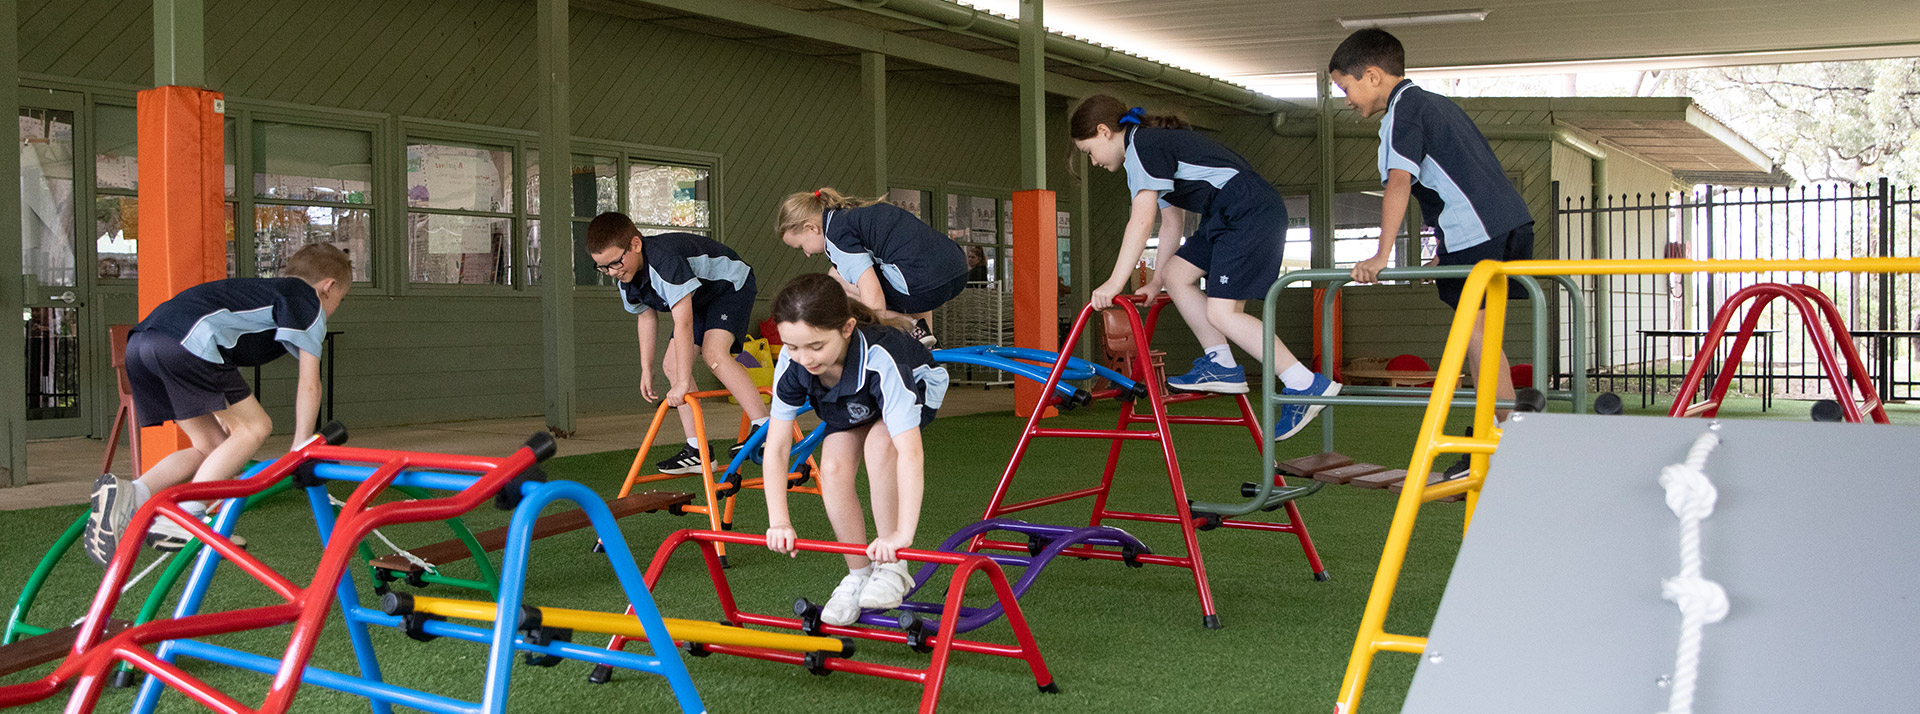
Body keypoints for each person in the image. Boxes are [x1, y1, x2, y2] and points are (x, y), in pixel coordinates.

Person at [1070, 94, 1339, 440]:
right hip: (1227, 214)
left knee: (1224, 313)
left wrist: (1114, 281)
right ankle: (1221, 362)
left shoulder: (1143, 147)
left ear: (1104, 131)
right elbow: (1171, 224)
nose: (1092, 162)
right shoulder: (1147, 151)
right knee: (1177, 276)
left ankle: (1303, 383)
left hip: (1247, 212)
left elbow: (1140, 221)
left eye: (1089, 151)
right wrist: (1155, 281)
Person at [1330, 29, 1534, 474]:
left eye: (1345, 88)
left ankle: (1500, 436)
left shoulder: (1401, 113)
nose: (1346, 100)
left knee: (1474, 332)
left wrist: (1383, 255)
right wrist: (1446, 249)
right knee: (1483, 332)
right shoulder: (1437, 104)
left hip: (1478, 231)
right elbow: (1460, 176)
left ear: (1373, 75)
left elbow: (1399, 182)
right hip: (1507, 223)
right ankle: (1504, 427)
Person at [84, 243, 352, 565]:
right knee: (257, 427)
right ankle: (188, 516)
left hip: (143, 345)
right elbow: (309, 383)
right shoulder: (308, 302)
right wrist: (300, 447)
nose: (336, 305)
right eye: (341, 299)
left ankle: (135, 492)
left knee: (211, 445)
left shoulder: (260, 293)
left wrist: (226, 414)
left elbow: (223, 342)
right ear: (329, 286)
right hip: (187, 344)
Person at [760, 273, 949, 626]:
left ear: (847, 328)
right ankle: (858, 572)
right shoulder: (793, 363)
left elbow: (910, 453)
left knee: (881, 445)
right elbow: (778, 444)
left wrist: (902, 535)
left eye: (816, 346)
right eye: (792, 346)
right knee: (831, 467)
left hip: (915, 387)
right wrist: (779, 520)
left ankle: (894, 566)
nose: (804, 358)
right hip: (850, 402)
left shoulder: (882, 355)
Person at [584, 212, 768, 475]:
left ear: (635, 245)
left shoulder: (664, 261)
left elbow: (682, 323)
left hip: (729, 286)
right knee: (671, 365)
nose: (611, 272)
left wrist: (684, 382)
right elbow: (646, 319)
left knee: (713, 353)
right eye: (602, 268)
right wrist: (646, 368)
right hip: (700, 297)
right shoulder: (626, 278)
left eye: (614, 263)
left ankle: (764, 426)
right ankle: (697, 450)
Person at [777, 188, 970, 348]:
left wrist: (872, 340)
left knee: (835, 278)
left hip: (923, 285)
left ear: (812, 228)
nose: (807, 253)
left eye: (801, 246)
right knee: (904, 267)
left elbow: (871, 289)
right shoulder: (855, 214)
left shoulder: (836, 234)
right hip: (958, 270)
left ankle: (911, 328)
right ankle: (926, 341)